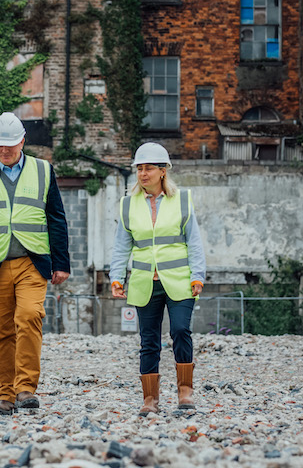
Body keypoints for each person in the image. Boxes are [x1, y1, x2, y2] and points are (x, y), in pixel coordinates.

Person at [0, 112, 71, 415]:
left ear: (22, 141)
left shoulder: (43, 170)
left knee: (30, 316)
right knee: (2, 331)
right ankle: (6, 393)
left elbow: (56, 217)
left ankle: (25, 389)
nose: (4, 150)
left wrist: (61, 262)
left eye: (10, 145)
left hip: (31, 261)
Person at [110, 142, 206, 415]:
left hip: (179, 280)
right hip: (144, 282)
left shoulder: (182, 200)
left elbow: (194, 242)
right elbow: (121, 246)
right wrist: (116, 277)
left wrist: (198, 275)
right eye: (139, 168)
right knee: (148, 340)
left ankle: (185, 392)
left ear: (163, 171)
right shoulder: (128, 205)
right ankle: (150, 400)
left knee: (180, 330)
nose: (143, 173)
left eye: (149, 168)